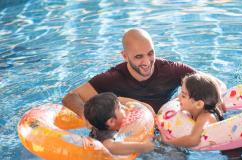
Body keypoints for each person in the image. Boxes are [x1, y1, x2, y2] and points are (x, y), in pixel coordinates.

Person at [62, 28, 225, 117]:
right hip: (137, 128)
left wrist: (216, 100)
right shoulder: (112, 78)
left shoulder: (171, 70)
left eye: (150, 53)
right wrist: (85, 117)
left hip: (168, 123)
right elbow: (71, 96)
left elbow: (212, 82)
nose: (147, 62)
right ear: (125, 56)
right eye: (139, 57)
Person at [161, 73, 224, 148]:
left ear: (198, 104)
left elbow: (194, 140)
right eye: (180, 92)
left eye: (183, 96)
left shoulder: (206, 117)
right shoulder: (194, 110)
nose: (179, 97)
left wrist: (168, 142)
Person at [84, 92, 154, 155]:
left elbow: (119, 99)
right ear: (111, 122)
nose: (125, 108)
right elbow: (109, 147)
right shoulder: (107, 134)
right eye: (120, 108)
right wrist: (143, 147)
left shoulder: (103, 123)